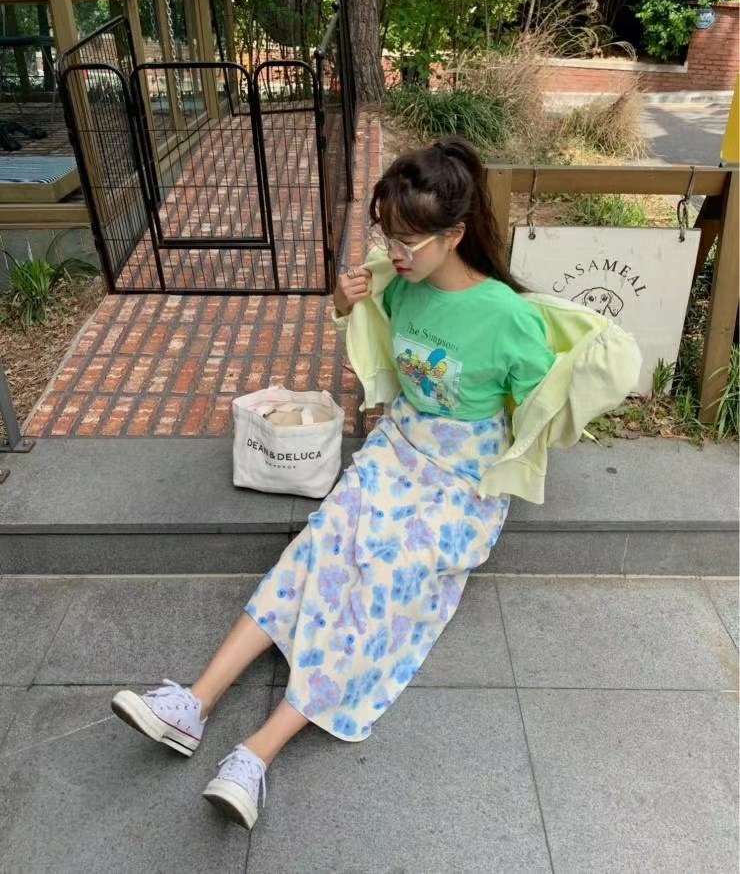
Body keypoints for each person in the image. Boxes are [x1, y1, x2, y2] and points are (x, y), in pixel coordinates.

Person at [111, 137, 557, 830]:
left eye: (408, 240)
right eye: (387, 234)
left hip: (461, 476)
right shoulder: (399, 285)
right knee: (318, 548)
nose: (393, 252)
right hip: (399, 447)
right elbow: (378, 346)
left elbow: (543, 407)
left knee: (380, 585)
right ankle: (192, 703)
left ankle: (256, 754)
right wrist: (346, 305)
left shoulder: (509, 318)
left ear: (455, 235)